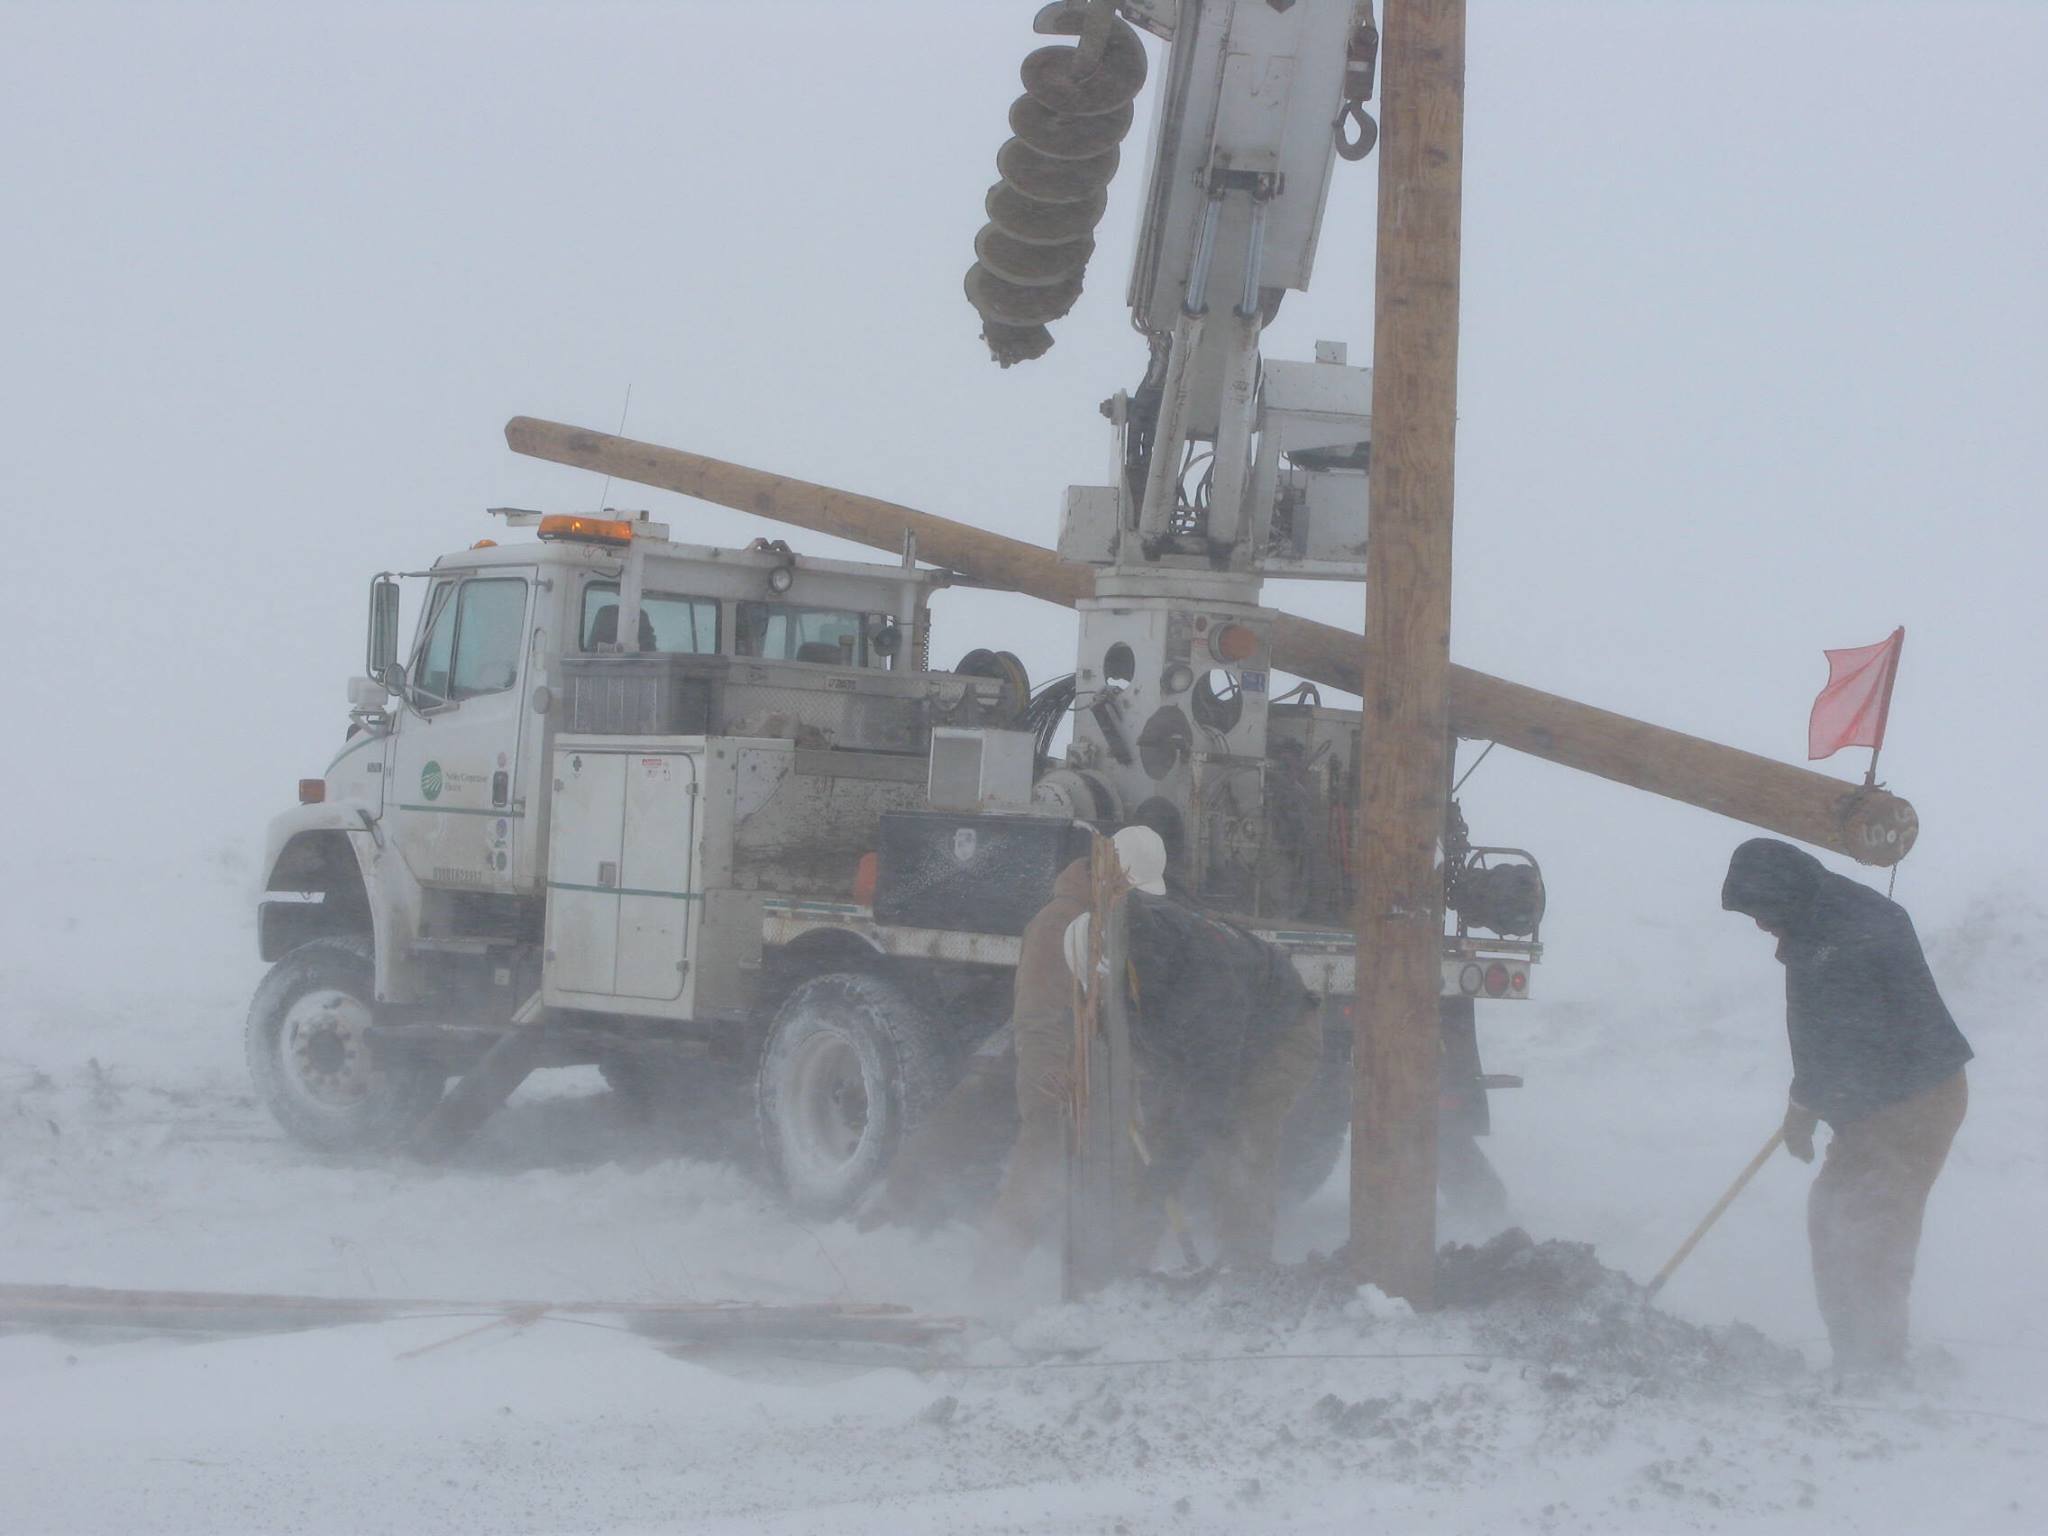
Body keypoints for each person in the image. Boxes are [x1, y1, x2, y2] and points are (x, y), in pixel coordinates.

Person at [1720, 837, 1973, 1380]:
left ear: (1783, 895)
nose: (1760, 925)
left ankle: (1876, 1369)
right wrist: (1805, 1103)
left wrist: (1807, 1102)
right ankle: (1853, 1358)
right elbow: (1820, 1034)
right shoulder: (1818, 918)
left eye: (1762, 911)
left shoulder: (1842, 935)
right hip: (1878, 1100)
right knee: (1833, 1218)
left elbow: (1840, 1034)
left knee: (1870, 1230)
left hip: (1914, 1100)